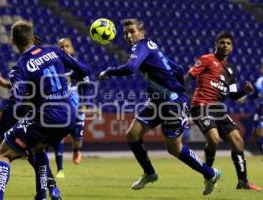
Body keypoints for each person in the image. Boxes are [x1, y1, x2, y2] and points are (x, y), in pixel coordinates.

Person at [99, 18, 220, 195]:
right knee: (132, 134)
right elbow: (177, 68)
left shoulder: (141, 46)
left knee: (174, 149)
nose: (129, 35)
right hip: (157, 100)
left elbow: (132, 68)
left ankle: (211, 174)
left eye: (132, 31)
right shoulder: (151, 46)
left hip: (172, 104)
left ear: (142, 32)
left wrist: (109, 71)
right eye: (126, 33)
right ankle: (149, 173)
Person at [0, 19, 90, 200]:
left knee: (2, 154)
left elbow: (15, 101)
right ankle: (44, 195)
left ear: (13, 42)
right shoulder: (54, 51)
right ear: (33, 38)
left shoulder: (20, 67)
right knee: (38, 149)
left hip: (47, 116)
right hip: (69, 116)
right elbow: (85, 70)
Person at [0, 41, 62, 200]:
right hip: (35, 123)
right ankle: (51, 192)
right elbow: (28, 88)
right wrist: (6, 84)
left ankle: (2, 196)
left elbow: (21, 91)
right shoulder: (46, 70)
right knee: (37, 153)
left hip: (22, 122)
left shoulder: (25, 68)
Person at [186, 31, 262, 190]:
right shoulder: (206, 59)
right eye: (222, 42)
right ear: (216, 45)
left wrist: (244, 91)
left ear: (232, 47)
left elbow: (234, 95)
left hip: (218, 109)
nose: (225, 46)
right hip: (201, 106)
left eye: (228, 43)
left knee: (238, 141)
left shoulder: (230, 70)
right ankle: (208, 174)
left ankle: (243, 181)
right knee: (213, 139)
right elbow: (189, 77)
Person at [50, 37, 88, 178]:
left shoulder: (77, 67)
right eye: (61, 46)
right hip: (61, 107)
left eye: (67, 46)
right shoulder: (54, 66)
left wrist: (84, 103)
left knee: (77, 139)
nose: (64, 48)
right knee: (58, 137)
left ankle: (76, 150)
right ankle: (60, 169)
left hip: (77, 107)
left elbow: (87, 85)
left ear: (71, 49)